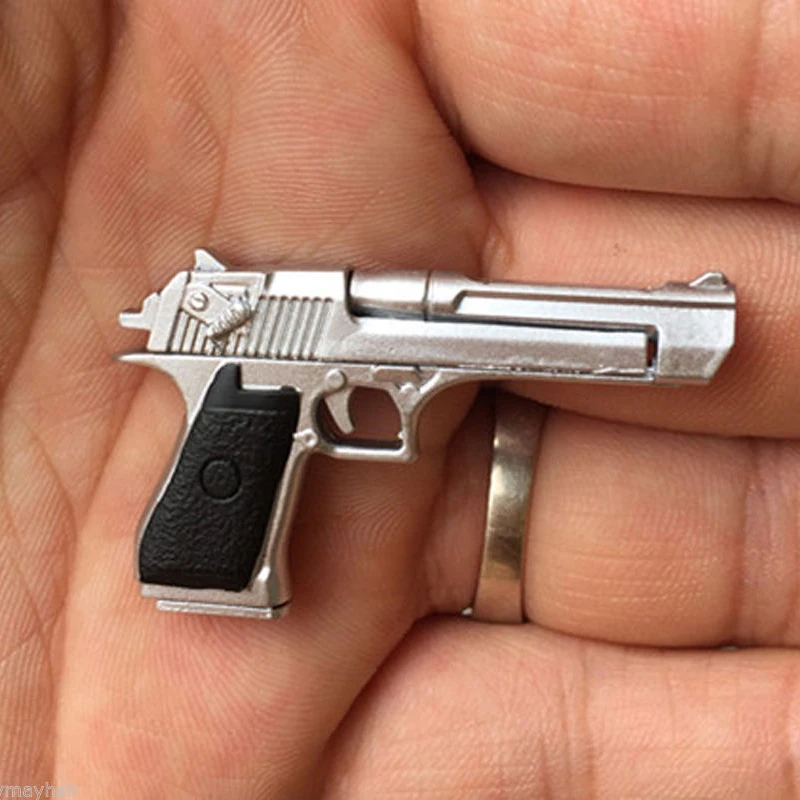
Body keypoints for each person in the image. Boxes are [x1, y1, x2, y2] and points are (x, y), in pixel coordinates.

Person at [1, 0, 798, 796]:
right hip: (249, 360)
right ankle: (200, 574)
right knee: (229, 479)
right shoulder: (255, 348)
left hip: (253, 339)